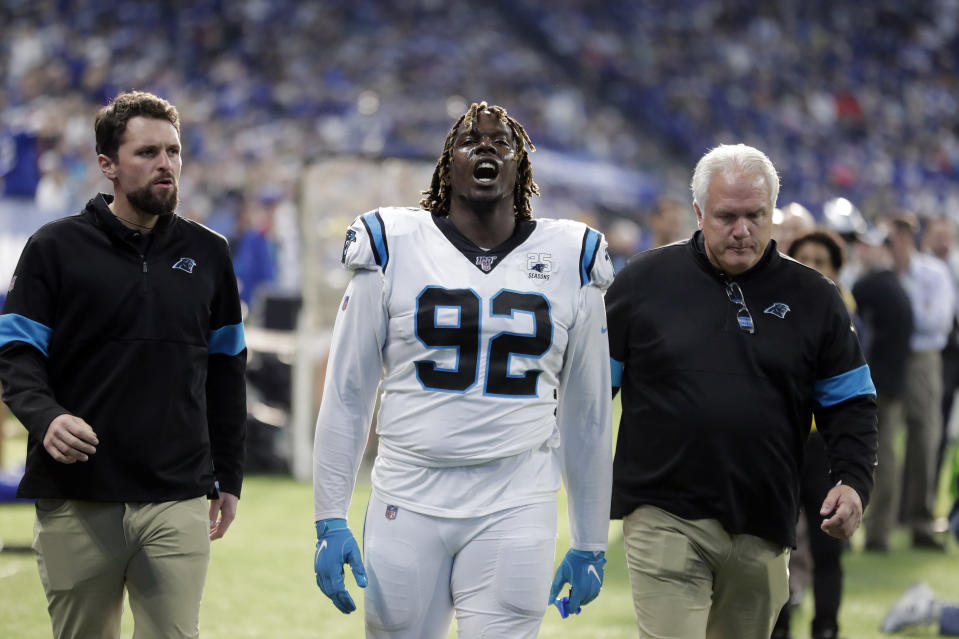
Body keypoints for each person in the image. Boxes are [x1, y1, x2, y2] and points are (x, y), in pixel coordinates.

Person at [311, 102, 614, 638]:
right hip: (408, 492)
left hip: (516, 497)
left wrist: (590, 539)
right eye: (470, 140)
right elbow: (348, 393)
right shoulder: (393, 243)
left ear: (522, 167)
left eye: (503, 142)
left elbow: (587, 415)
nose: (487, 147)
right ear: (446, 165)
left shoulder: (572, 254)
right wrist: (329, 515)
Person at [0, 90, 247, 638]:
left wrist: (228, 474)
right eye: (148, 153)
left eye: (174, 151)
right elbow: (16, 355)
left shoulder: (211, 253)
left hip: (177, 494)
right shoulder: (53, 247)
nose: (166, 164)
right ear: (107, 165)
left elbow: (227, 371)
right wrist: (46, 418)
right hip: (77, 494)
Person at [605, 144, 878, 639]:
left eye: (755, 215)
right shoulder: (642, 284)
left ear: (773, 211)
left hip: (765, 519)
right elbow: (590, 393)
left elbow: (851, 401)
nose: (742, 229)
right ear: (698, 213)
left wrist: (853, 480)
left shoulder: (816, 297)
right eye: (726, 216)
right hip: (664, 513)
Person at [771, 230, 856, 639]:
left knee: (827, 547)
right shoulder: (776, 312)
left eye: (822, 261)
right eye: (803, 258)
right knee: (776, 543)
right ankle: (780, 624)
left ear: (838, 270)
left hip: (824, 448)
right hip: (783, 446)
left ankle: (826, 627)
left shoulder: (846, 318)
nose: (812, 267)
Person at [887, 214, 955, 550]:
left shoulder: (933, 272)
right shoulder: (883, 273)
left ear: (913, 237)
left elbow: (935, 320)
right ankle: (878, 527)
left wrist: (898, 315)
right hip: (887, 359)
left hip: (923, 361)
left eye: (904, 235)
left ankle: (922, 522)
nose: (898, 242)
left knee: (925, 441)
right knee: (882, 442)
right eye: (893, 236)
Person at [853, 226, 915, 551]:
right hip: (892, 383)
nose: (861, 251)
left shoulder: (871, 286)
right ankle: (880, 531)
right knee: (887, 456)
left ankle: (870, 532)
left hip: (873, 384)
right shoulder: (896, 286)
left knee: (870, 457)